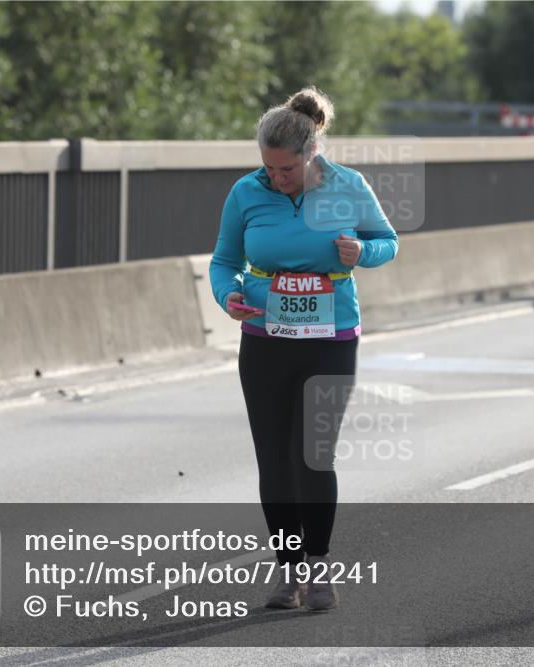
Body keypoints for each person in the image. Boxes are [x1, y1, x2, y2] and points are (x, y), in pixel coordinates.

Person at [208, 86, 399, 611]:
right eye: (268, 168)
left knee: (312, 457)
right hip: (266, 340)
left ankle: (317, 569)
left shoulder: (348, 185)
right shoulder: (246, 193)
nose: (275, 178)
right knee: (273, 459)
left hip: (329, 339)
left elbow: (388, 241)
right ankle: (288, 575)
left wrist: (362, 250)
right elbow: (223, 261)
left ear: (311, 153)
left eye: (285, 170)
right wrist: (228, 295)